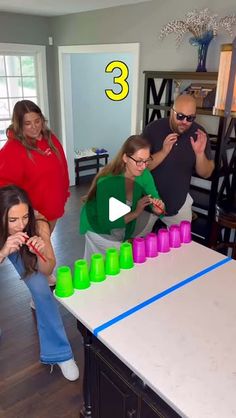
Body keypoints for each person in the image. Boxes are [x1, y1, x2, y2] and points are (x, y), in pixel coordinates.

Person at [0, 185, 79, 381]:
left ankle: (60, 353)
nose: (20, 225)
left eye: (25, 217)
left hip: (26, 250)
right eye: (12, 220)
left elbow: (48, 269)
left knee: (42, 290)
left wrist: (39, 254)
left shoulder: (37, 225)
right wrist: (2, 252)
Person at [80, 135, 165, 259]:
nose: (143, 166)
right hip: (96, 226)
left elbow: (155, 199)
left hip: (118, 224)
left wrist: (159, 208)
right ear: (125, 157)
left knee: (107, 266)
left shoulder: (144, 175)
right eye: (139, 161)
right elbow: (107, 222)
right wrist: (136, 213)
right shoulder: (108, 181)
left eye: (147, 161)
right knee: (109, 262)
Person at [143, 94, 215, 227]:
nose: (184, 122)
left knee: (182, 244)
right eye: (180, 116)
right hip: (148, 202)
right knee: (136, 243)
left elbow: (206, 173)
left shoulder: (199, 134)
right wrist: (164, 152)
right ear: (172, 111)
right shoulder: (153, 129)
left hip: (179, 203)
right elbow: (141, 167)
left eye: (190, 118)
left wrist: (199, 154)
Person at [0, 100, 70, 232]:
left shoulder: (50, 139)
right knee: (36, 250)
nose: (34, 127)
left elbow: (62, 169)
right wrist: (26, 211)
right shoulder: (12, 149)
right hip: (33, 215)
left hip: (53, 209)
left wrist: (64, 195)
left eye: (37, 121)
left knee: (42, 247)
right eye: (27, 123)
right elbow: (4, 186)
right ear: (19, 125)